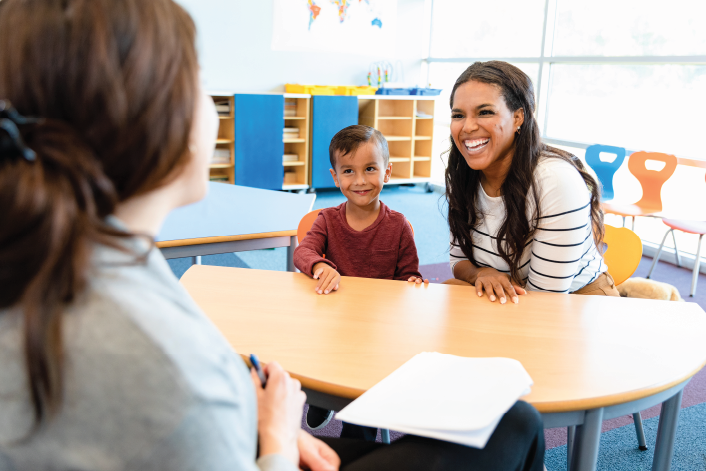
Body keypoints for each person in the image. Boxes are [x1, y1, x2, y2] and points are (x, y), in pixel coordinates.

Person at [0, 2, 545, 469]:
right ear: (156, 120)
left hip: (260, 439)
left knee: (511, 422)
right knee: (515, 425)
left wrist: (273, 429)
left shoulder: (78, 253)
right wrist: (279, 438)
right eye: (198, 82)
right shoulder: (154, 359)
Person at [293, 125, 427, 440]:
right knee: (314, 360)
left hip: (378, 331)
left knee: (361, 406)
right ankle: (320, 396)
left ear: (387, 172)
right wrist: (320, 266)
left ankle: (356, 433)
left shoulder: (398, 227)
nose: (361, 181)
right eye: (349, 171)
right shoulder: (327, 219)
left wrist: (413, 283)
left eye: (370, 169)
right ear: (335, 177)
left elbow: (410, 275)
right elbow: (304, 252)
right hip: (334, 324)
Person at [444, 61, 618, 302]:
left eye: (485, 112)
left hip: (573, 301)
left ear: (518, 118)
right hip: (510, 296)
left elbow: (545, 298)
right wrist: (481, 272)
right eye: (458, 115)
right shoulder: (463, 172)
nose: (468, 126)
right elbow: (458, 260)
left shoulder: (555, 180)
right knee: (447, 293)